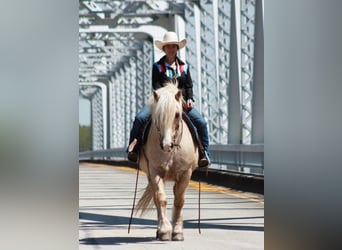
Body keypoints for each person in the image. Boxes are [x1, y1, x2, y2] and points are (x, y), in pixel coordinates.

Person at [127, 31, 210, 168]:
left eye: (173, 46)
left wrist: (189, 99)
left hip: (181, 103)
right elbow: (156, 86)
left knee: (201, 122)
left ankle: (204, 153)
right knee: (140, 118)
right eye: (168, 46)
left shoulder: (184, 67)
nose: (171, 49)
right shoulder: (157, 67)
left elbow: (188, 86)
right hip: (161, 103)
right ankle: (133, 149)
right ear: (164, 49)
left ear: (177, 48)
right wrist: (168, 98)